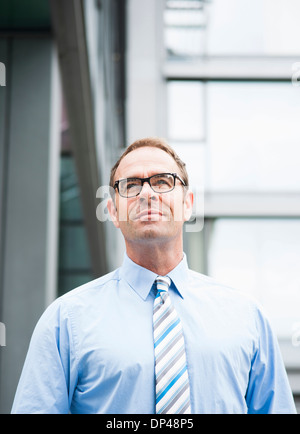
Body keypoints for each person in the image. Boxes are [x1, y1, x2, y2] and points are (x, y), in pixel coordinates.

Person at [12, 137, 296, 414]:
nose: (147, 193)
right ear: (112, 211)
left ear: (188, 204)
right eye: (131, 185)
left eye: (162, 181)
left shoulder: (247, 317)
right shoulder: (66, 320)